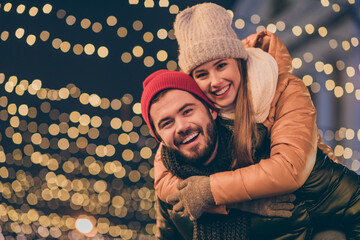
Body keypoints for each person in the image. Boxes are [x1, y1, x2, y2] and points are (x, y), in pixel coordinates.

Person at [141, 70, 360, 239]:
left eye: (187, 111)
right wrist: (238, 204)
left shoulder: (275, 157)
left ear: (212, 110)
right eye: (166, 123)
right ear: (160, 138)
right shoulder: (171, 187)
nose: (181, 126)